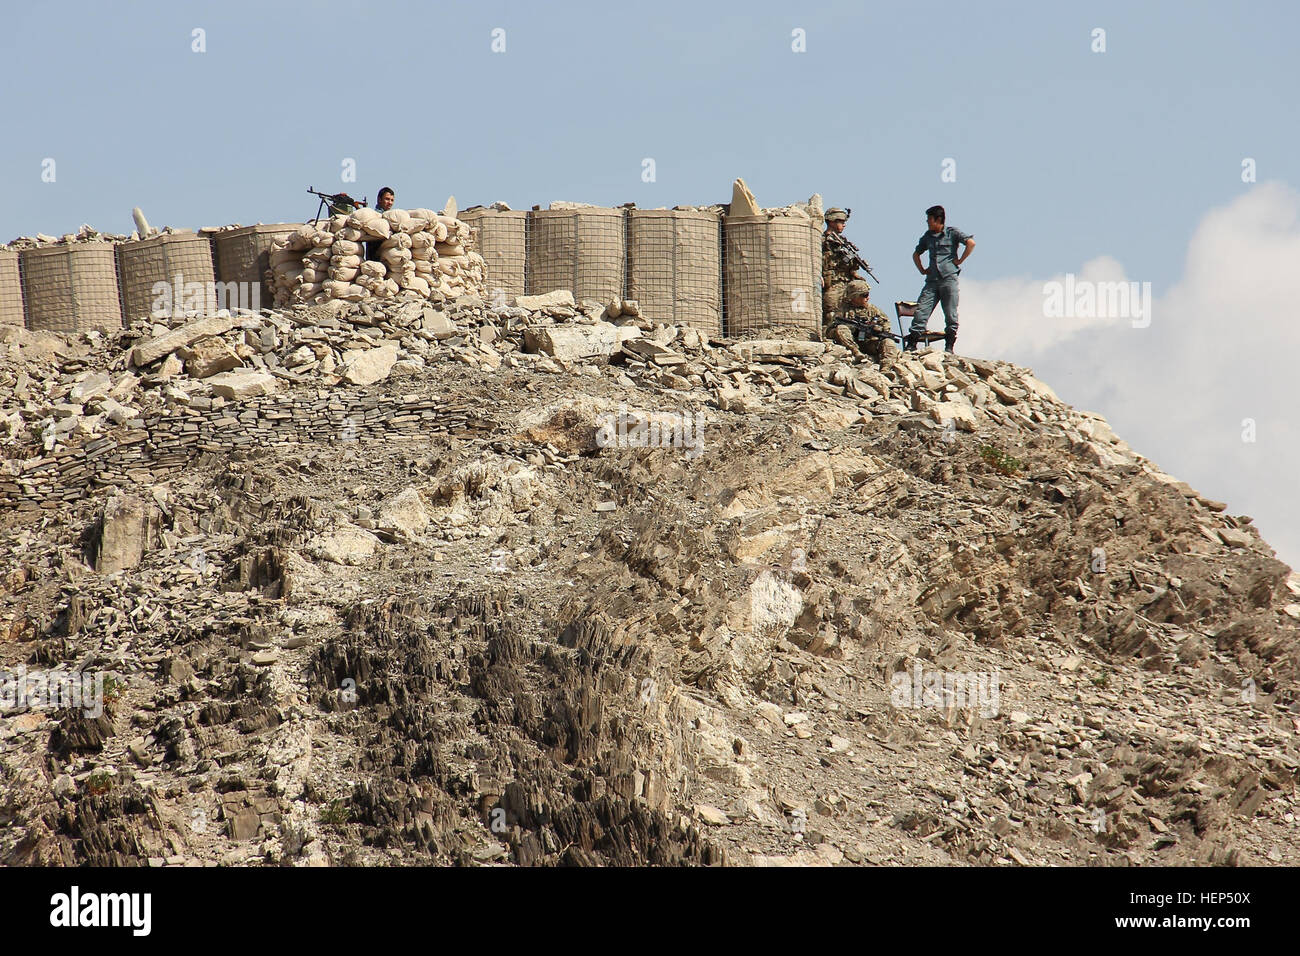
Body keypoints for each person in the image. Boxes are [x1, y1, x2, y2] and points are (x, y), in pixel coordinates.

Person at [906, 205, 974, 353]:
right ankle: (912, 343)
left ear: (938, 220)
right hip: (932, 281)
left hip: (948, 279)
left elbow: (970, 243)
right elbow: (916, 254)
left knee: (950, 313)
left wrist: (960, 260)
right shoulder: (927, 236)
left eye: (929, 219)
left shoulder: (952, 233)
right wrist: (922, 270)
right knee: (921, 311)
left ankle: (949, 346)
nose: (928, 222)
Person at [826, 279, 900, 368]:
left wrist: (877, 329)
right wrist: (852, 329)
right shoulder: (843, 310)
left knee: (888, 341)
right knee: (841, 328)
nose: (867, 298)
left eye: (867, 294)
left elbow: (885, 324)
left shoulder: (873, 310)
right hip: (851, 343)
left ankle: (886, 367)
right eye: (864, 295)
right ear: (854, 297)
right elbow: (830, 330)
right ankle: (856, 353)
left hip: (869, 342)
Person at [821, 208, 859, 320]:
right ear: (832, 221)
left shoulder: (843, 242)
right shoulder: (823, 240)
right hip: (832, 282)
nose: (844, 225)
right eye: (841, 222)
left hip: (846, 282)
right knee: (831, 312)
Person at [365, 187, 397, 261]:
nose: (390, 203)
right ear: (379, 199)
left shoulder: (391, 217)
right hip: (375, 256)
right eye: (387, 199)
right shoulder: (375, 215)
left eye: (392, 200)